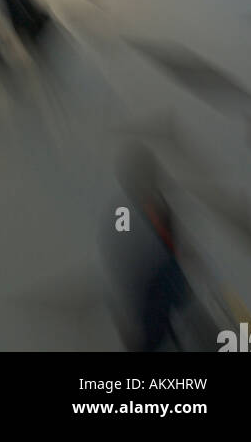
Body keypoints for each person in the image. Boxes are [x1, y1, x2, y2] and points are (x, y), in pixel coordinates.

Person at [101, 143, 191, 352]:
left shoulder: (159, 202)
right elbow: (120, 259)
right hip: (147, 295)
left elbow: (172, 242)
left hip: (166, 289)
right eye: (146, 174)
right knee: (152, 340)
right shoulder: (123, 213)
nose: (153, 178)